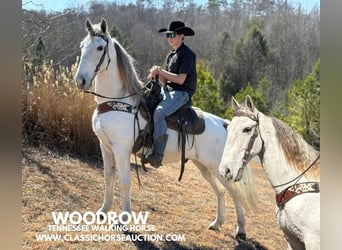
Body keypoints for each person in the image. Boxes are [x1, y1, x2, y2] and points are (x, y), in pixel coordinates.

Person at [142, 20, 197, 168]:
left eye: (172, 35)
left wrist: (161, 71)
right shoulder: (171, 55)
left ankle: (158, 155)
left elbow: (180, 80)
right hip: (169, 91)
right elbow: (164, 80)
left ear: (181, 35)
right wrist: (156, 73)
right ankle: (148, 143)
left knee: (160, 113)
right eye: (168, 35)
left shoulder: (188, 54)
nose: (169, 38)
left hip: (182, 93)